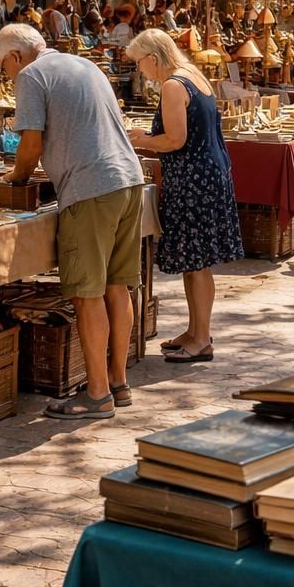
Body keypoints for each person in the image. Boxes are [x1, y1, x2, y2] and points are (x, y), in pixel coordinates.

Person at [0, 23, 144, 419]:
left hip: (91, 188)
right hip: (128, 180)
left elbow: (30, 144)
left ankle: (96, 394)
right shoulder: (83, 63)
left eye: (4, 69)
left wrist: (17, 177)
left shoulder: (30, 75)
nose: (8, 77)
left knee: (86, 292)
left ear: (15, 56)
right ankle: (117, 382)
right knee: (118, 285)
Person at [124, 30, 241, 363]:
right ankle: (195, 330)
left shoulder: (173, 85)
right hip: (207, 174)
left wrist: (139, 139)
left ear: (154, 57)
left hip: (193, 180)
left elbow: (174, 140)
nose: (140, 71)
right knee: (195, 262)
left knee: (198, 262)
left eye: (140, 63)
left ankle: (202, 338)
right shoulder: (193, 74)